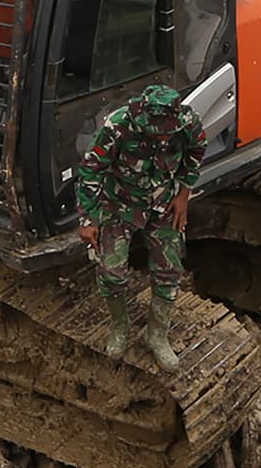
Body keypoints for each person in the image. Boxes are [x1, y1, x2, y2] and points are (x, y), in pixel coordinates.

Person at [74, 83, 204, 372]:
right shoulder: (118, 126)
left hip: (164, 204)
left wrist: (184, 195)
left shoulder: (187, 123)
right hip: (119, 204)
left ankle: (157, 335)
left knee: (170, 270)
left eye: (166, 130)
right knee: (111, 272)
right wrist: (88, 219)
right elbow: (91, 170)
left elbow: (196, 153)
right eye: (156, 129)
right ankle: (120, 326)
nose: (162, 134)